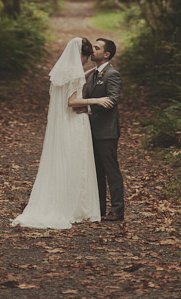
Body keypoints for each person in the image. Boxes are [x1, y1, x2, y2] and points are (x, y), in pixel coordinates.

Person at [10, 37, 113, 229]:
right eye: (85, 57)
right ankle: (74, 206)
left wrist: (90, 72)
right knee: (76, 160)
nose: (85, 61)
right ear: (80, 55)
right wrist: (96, 101)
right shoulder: (74, 72)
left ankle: (64, 202)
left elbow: (76, 78)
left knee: (64, 160)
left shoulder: (62, 70)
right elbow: (71, 101)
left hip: (63, 124)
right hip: (74, 122)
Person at [72, 37, 125, 222]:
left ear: (107, 54)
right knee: (97, 172)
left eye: (97, 48)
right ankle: (100, 209)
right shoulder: (94, 73)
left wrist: (88, 108)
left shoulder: (112, 74)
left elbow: (112, 100)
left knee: (111, 171)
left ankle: (118, 210)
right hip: (92, 130)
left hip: (107, 132)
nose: (92, 50)